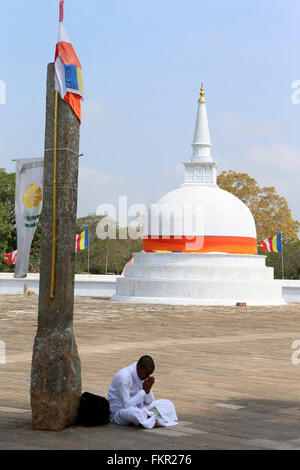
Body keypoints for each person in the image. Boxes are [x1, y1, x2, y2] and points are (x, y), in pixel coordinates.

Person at [107, 355, 178, 429]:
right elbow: (127, 405)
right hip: (120, 412)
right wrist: (143, 391)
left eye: (150, 374)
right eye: (146, 373)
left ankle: (150, 418)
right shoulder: (123, 377)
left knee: (167, 403)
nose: (148, 376)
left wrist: (148, 391)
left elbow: (150, 402)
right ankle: (152, 420)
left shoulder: (143, 375)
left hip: (141, 408)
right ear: (139, 368)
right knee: (135, 413)